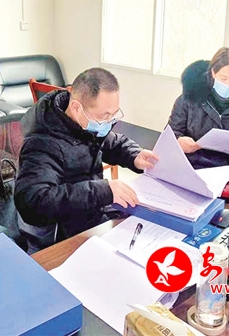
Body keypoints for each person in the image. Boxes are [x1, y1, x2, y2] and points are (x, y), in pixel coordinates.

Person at [14, 67, 159, 253]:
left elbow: (113, 143)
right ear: (76, 108)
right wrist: (101, 191)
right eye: (104, 116)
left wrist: (135, 155)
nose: (109, 122)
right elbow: (34, 202)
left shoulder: (84, 124)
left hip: (91, 215)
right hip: (60, 235)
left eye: (113, 114)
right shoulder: (42, 142)